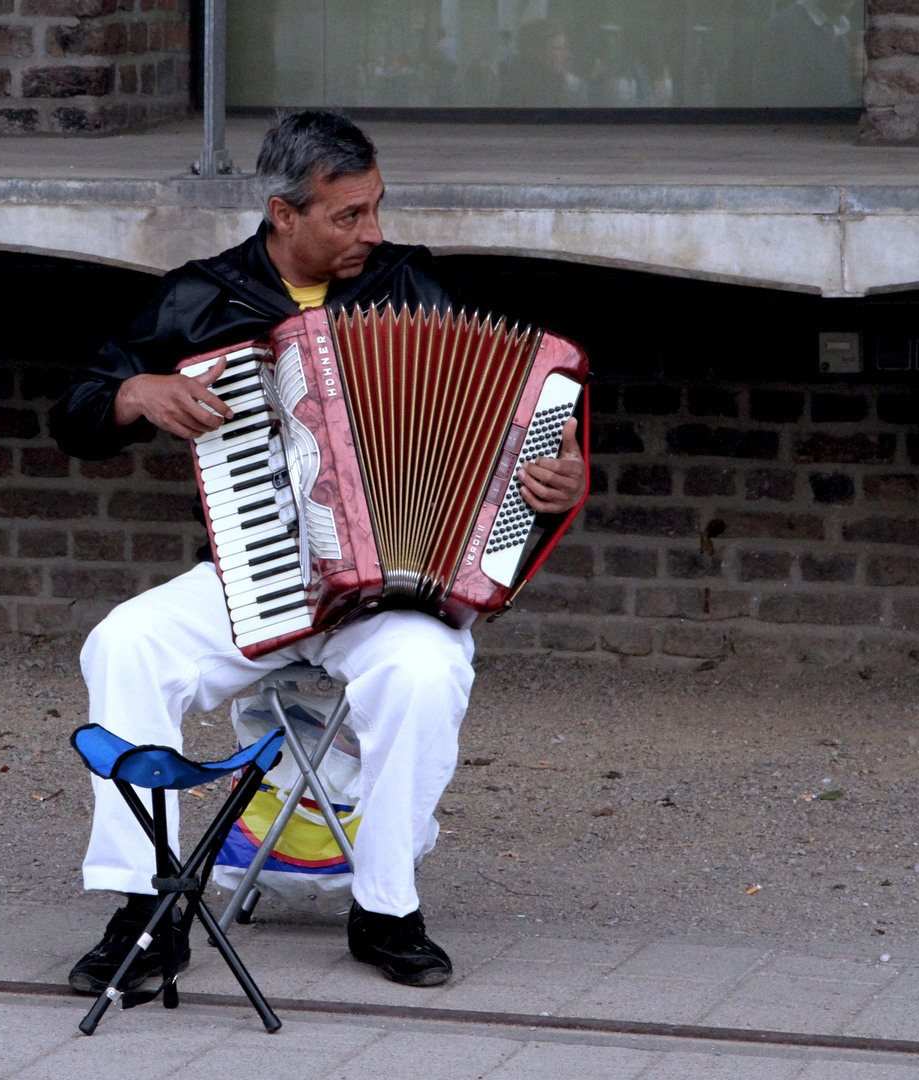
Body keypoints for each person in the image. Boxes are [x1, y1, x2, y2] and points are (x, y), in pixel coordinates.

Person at [49, 111, 586, 993]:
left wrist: (551, 485)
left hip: (386, 595)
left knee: (424, 670)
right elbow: (76, 413)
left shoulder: (410, 290)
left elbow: (491, 448)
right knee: (124, 642)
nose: (372, 234)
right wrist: (135, 393)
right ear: (282, 212)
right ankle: (146, 909)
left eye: (375, 209)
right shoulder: (200, 298)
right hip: (252, 576)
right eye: (349, 216)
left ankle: (385, 906)